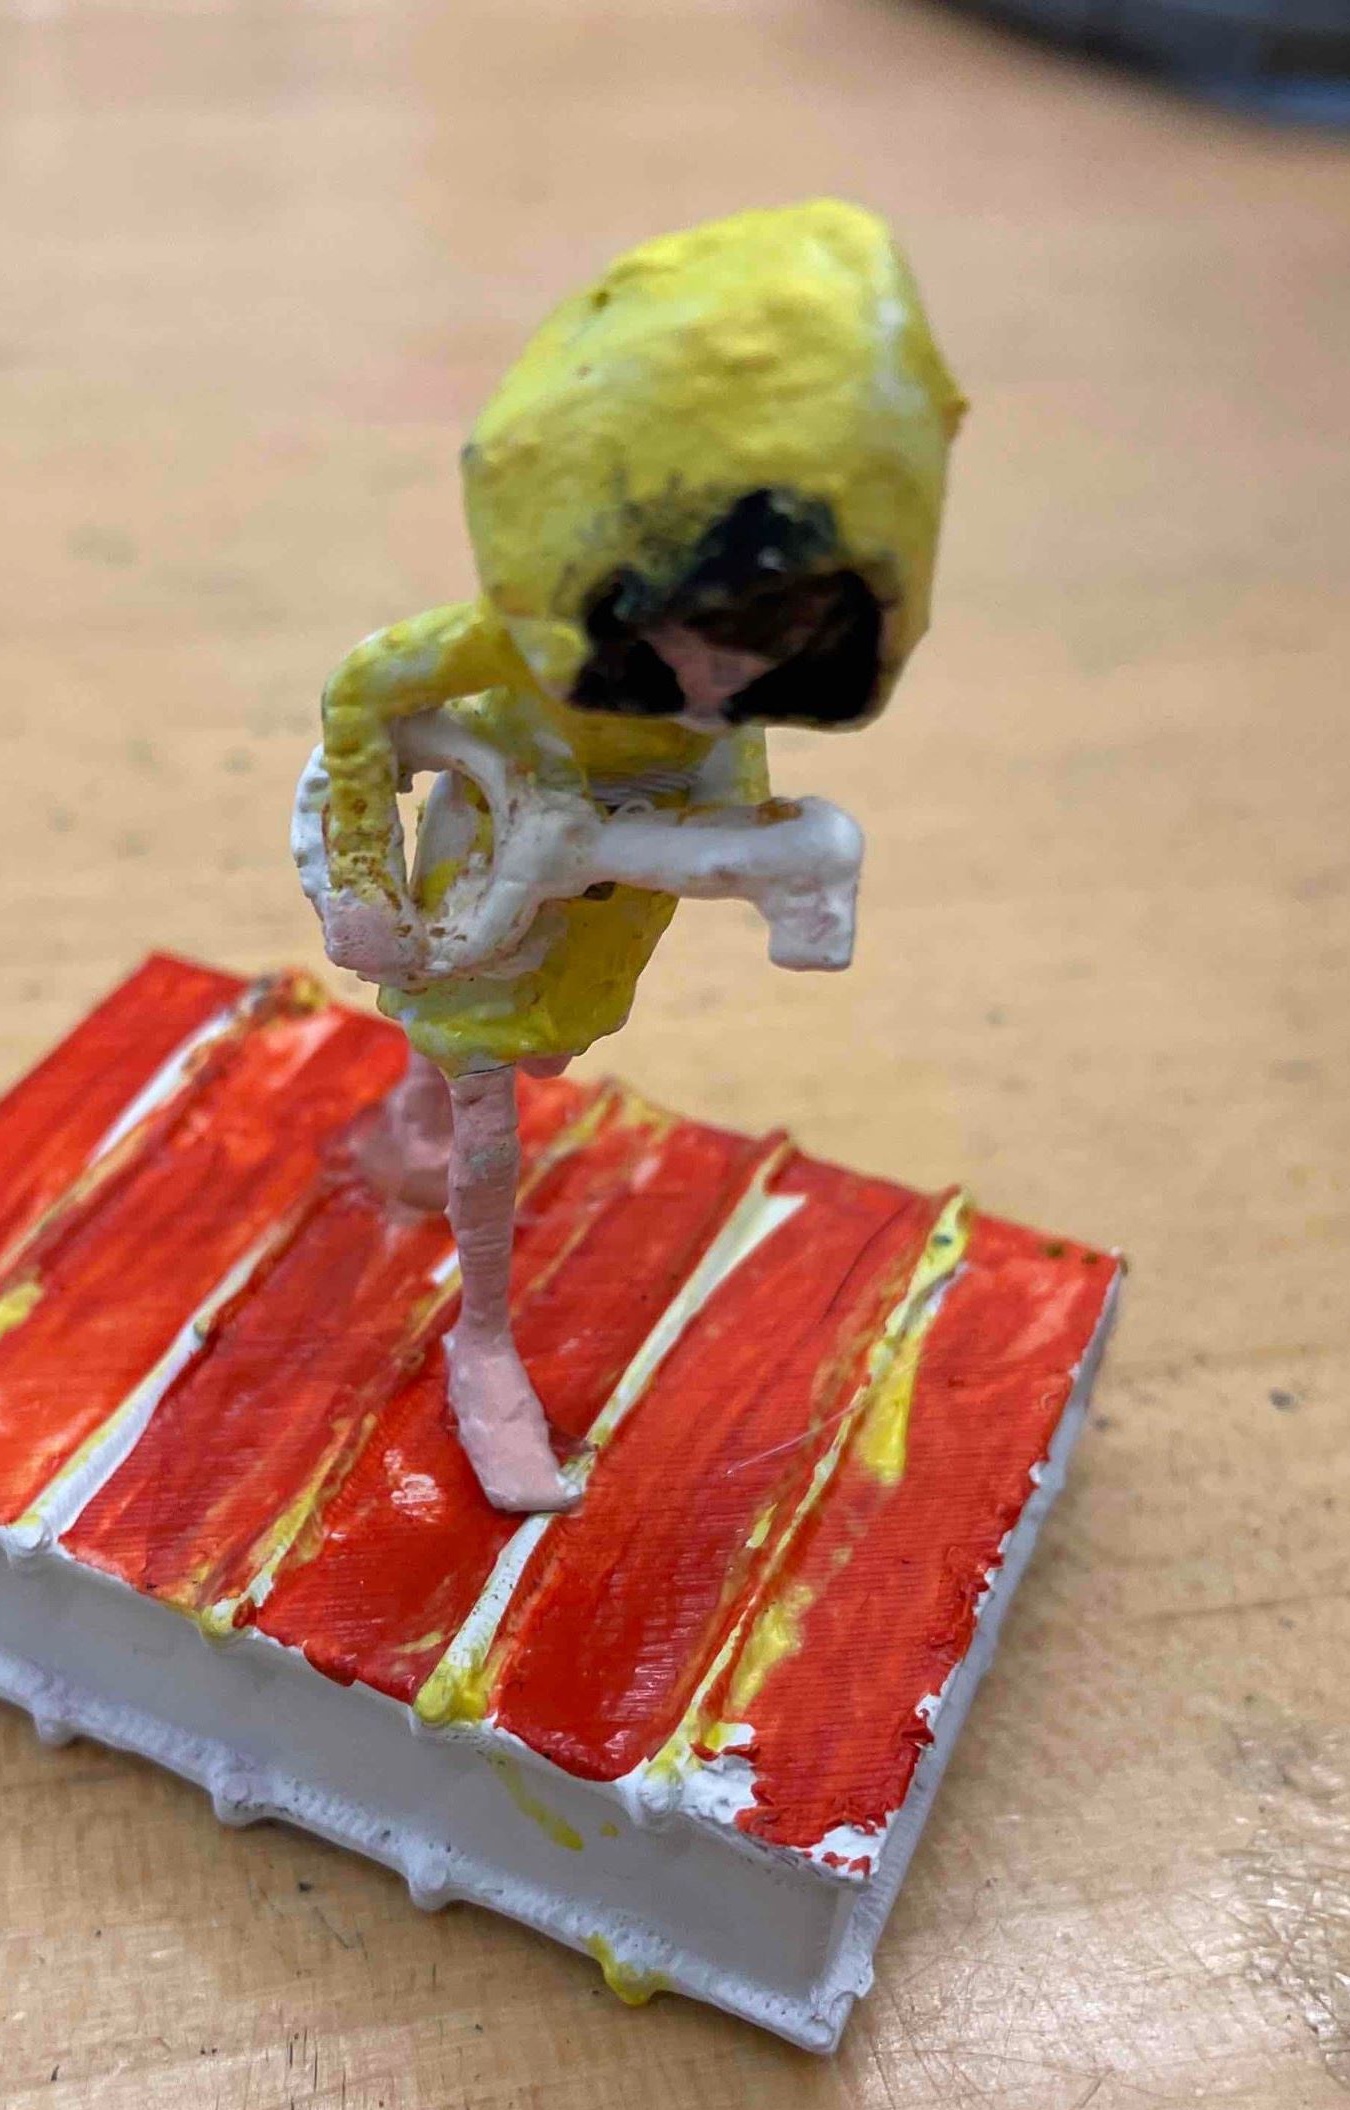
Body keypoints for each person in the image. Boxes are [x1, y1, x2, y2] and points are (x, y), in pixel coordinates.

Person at [298, 199, 964, 1513]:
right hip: (471, 875)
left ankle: (427, 1099)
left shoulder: (729, 729)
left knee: (505, 1041)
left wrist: (703, 859)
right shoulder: (502, 649)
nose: (717, 682)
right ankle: (484, 1337)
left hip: (586, 922)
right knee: (482, 1092)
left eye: (771, 645)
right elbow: (363, 696)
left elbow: (727, 824)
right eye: (695, 635)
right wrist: (363, 877)